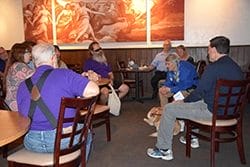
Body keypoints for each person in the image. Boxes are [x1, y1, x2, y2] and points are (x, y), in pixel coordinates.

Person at [147, 36, 244, 161]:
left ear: (214, 49)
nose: (208, 52)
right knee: (196, 103)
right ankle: (192, 138)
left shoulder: (213, 68)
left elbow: (199, 92)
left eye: (208, 49)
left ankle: (163, 150)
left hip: (213, 112)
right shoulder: (236, 68)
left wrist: (183, 101)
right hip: (231, 113)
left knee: (170, 108)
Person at [16, 43, 99, 159]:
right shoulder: (64, 74)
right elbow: (94, 90)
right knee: (88, 134)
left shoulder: (22, 85)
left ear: (34, 62)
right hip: (64, 140)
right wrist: (77, 99)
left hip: (32, 142)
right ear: (53, 58)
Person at [5, 43, 35, 111]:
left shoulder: (15, 65)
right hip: (16, 104)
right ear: (20, 54)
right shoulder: (19, 66)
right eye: (28, 52)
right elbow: (37, 76)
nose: (30, 55)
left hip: (12, 102)